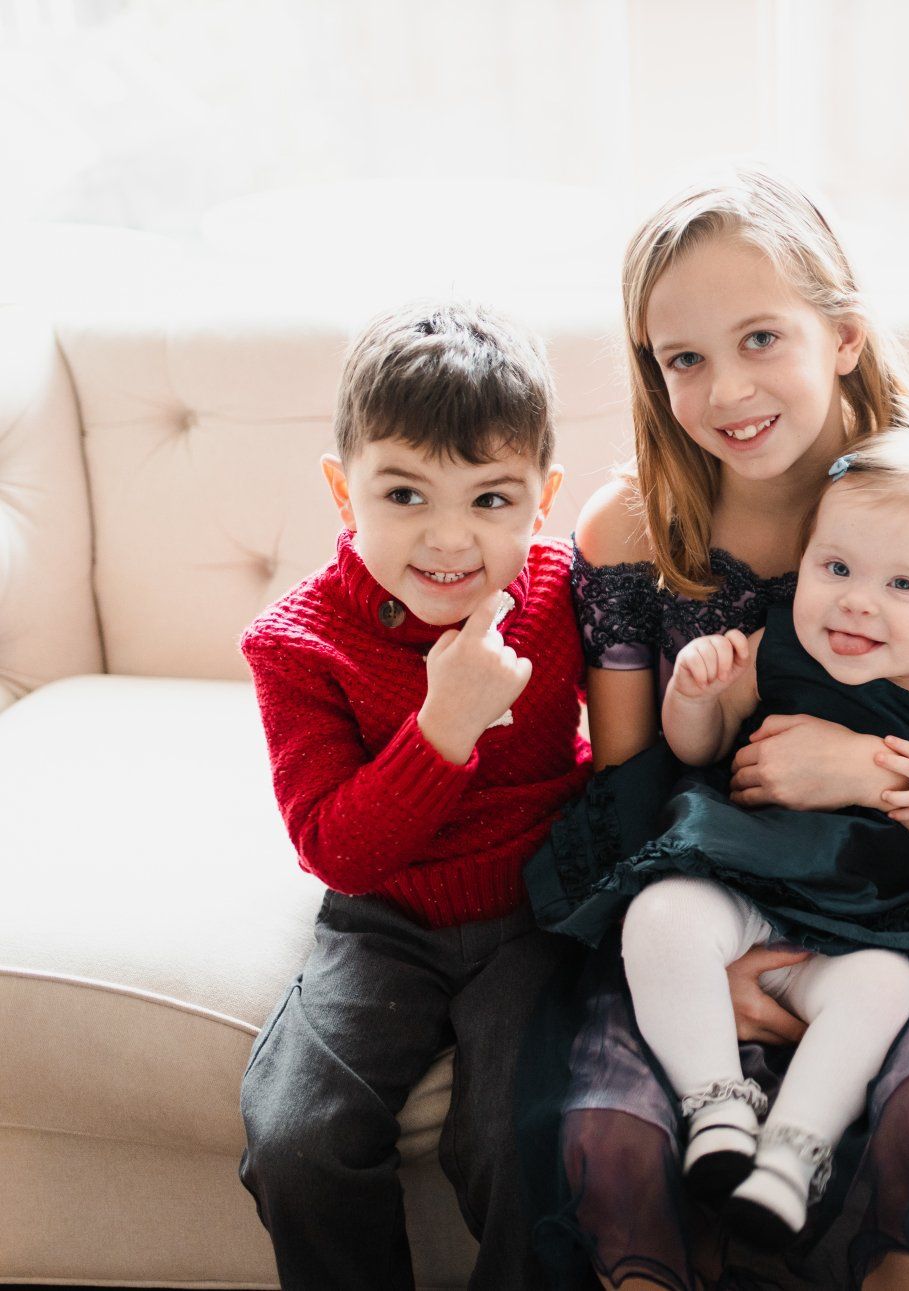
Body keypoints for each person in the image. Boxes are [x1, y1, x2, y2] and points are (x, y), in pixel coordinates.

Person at [516, 168, 909, 1291]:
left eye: (762, 337)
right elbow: (630, 789)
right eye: (686, 358)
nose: (727, 389)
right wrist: (735, 967)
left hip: (907, 905)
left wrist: (862, 766)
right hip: (703, 883)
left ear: (843, 336)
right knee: (617, 1133)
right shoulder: (632, 526)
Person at [535, 427, 909, 1259]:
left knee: (884, 989)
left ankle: (792, 1151)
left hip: (878, 921)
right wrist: (696, 692)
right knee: (660, 913)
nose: (856, 601)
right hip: (748, 885)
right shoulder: (781, 648)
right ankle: (716, 1105)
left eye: (901, 583)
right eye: (835, 568)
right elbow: (698, 748)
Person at [237, 300, 586, 1290]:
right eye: (404, 494)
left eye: (490, 500)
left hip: (535, 914)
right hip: (382, 917)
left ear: (541, 500)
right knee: (296, 1134)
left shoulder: (566, 593)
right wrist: (446, 726)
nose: (448, 539)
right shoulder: (295, 643)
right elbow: (335, 847)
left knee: (524, 1134)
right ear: (344, 492)